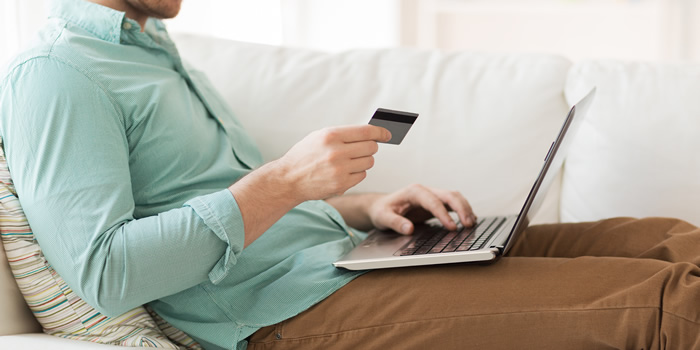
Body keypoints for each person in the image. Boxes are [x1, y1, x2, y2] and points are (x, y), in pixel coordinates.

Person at [0, 0, 697, 349]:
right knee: (674, 306)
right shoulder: (60, 74)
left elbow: (238, 205)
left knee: (669, 239)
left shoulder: (151, 49)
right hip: (283, 310)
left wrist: (366, 208)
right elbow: (105, 272)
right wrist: (284, 181)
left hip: (345, 259)